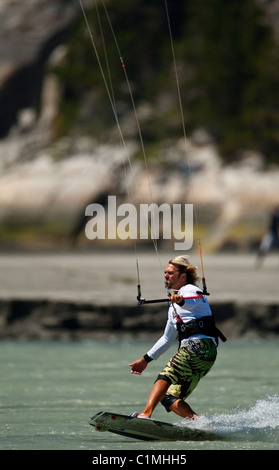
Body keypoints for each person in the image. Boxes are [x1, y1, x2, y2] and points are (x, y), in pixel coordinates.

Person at [129, 256, 226, 420]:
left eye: (170, 273)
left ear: (183, 276)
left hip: (197, 347)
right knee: (167, 397)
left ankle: (145, 414)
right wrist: (145, 360)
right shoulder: (173, 309)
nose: (166, 276)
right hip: (206, 355)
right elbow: (167, 339)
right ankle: (199, 422)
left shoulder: (189, 290)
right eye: (165, 273)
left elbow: (193, 299)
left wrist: (180, 301)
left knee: (164, 377)